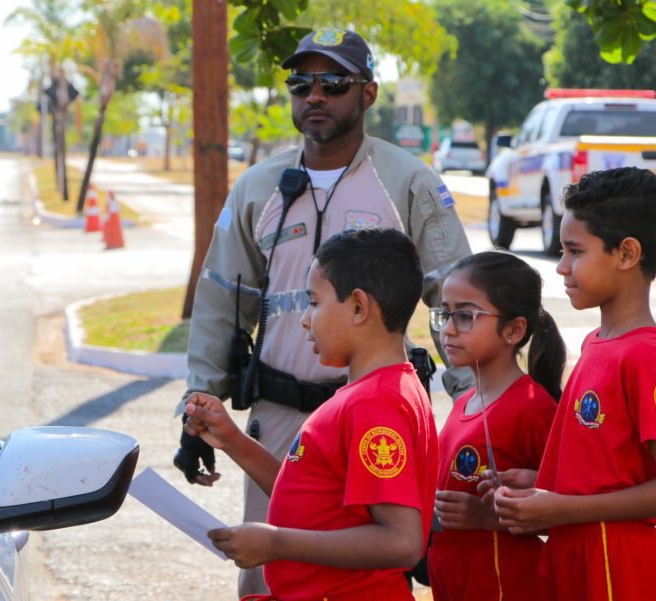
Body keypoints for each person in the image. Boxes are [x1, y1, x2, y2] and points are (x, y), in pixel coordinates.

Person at [173, 26, 471, 596]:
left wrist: (475, 410)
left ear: (368, 93)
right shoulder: (257, 188)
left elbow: (457, 302)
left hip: (374, 420)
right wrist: (198, 407)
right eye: (300, 83)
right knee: (266, 577)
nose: (314, 96)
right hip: (279, 415)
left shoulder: (410, 183)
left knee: (368, 565)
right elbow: (220, 303)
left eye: (333, 82)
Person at [183, 228, 438, 601]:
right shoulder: (370, 393)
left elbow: (402, 542)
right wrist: (232, 440)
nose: (305, 319)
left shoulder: (374, 405)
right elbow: (310, 500)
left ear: (357, 307)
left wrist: (277, 543)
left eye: (314, 303)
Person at [492, 167, 656, 601]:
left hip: (615, 560)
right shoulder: (596, 343)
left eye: (575, 251)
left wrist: (563, 507)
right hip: (577, 552)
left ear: (627, 254)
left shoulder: (644, 357)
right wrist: (540, 484)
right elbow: (609, 470)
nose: (562, 268)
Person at [427, 251, 566, 600]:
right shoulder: (463, 403)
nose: (448, 328)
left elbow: (572, 514)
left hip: (509, 584)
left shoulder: (532, 409)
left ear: (514, 329)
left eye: (465, 316)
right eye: (445, 313)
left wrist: (487, 518)